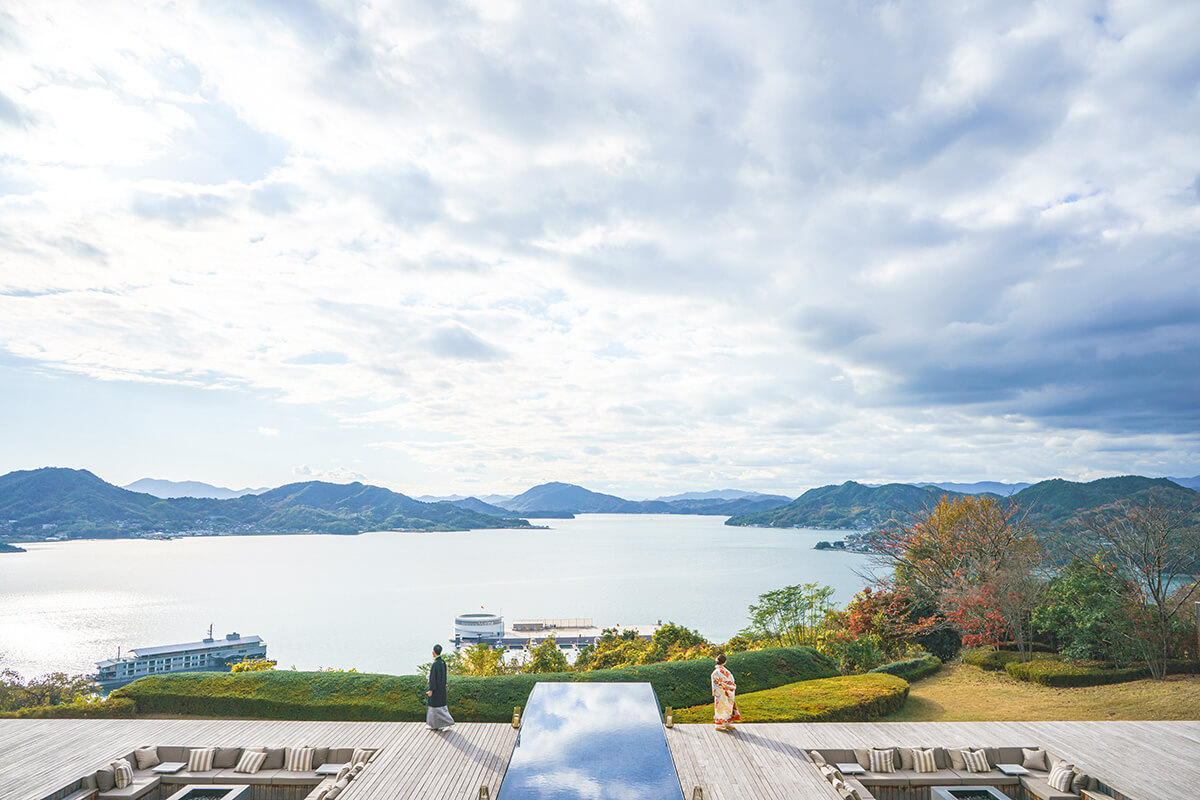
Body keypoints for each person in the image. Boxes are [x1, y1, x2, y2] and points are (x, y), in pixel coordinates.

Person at [426, 644, 455, 731]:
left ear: (433, 652)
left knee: (439, 708)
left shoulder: (435, 664)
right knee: (435, 708)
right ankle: (434, 725)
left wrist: (431, 689)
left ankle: (448, 723)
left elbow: (433, 678)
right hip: (441, 688)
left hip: (436, 690)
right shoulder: (442, 662)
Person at [711, 653, 739, 731]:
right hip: (724, 691)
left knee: (724, 707)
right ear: (725, 662)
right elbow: (729, 681)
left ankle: (726, 723)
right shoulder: (722, 671)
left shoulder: (716, 671)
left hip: (720, 691)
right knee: (722, 707)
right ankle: (719, 725)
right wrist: (731, 687)